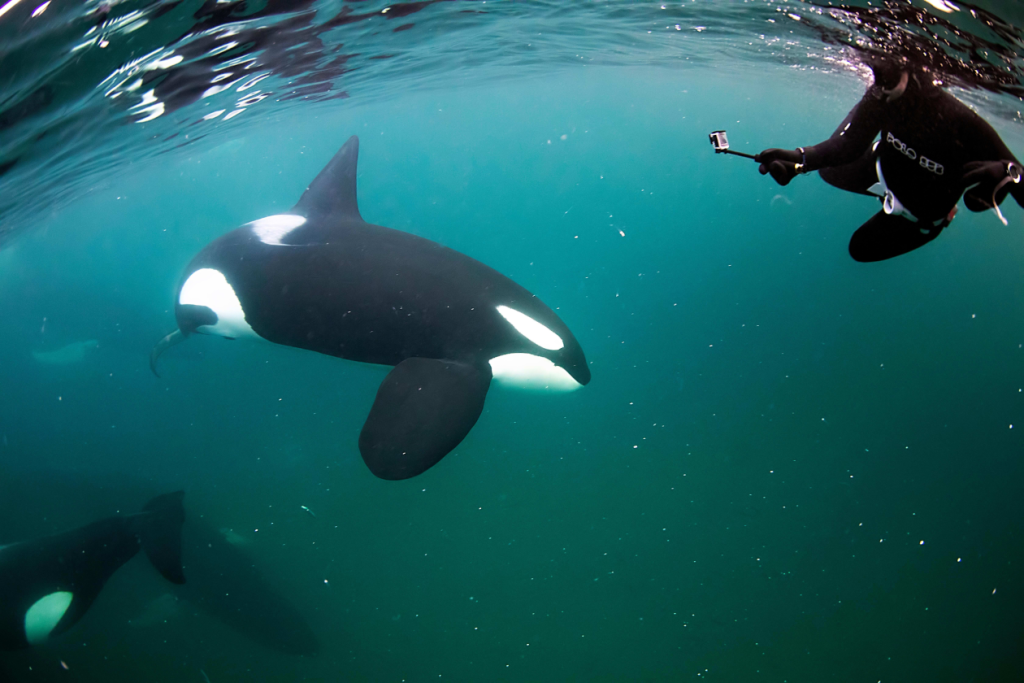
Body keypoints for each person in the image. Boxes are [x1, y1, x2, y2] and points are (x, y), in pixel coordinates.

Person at [755, 54, 1024, 261]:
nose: (878, 88)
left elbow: (1019, 182)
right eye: (875, 76)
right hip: (881, 166)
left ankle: (939, 221)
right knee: (827, 169)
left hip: (915, 211)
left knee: (860, 249)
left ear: (910, 72)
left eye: (884, 79)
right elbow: (849, 146)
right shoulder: (881, 96)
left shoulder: (960, 122)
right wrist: (800, 158)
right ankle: (809, 164)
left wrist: (1008, 173)